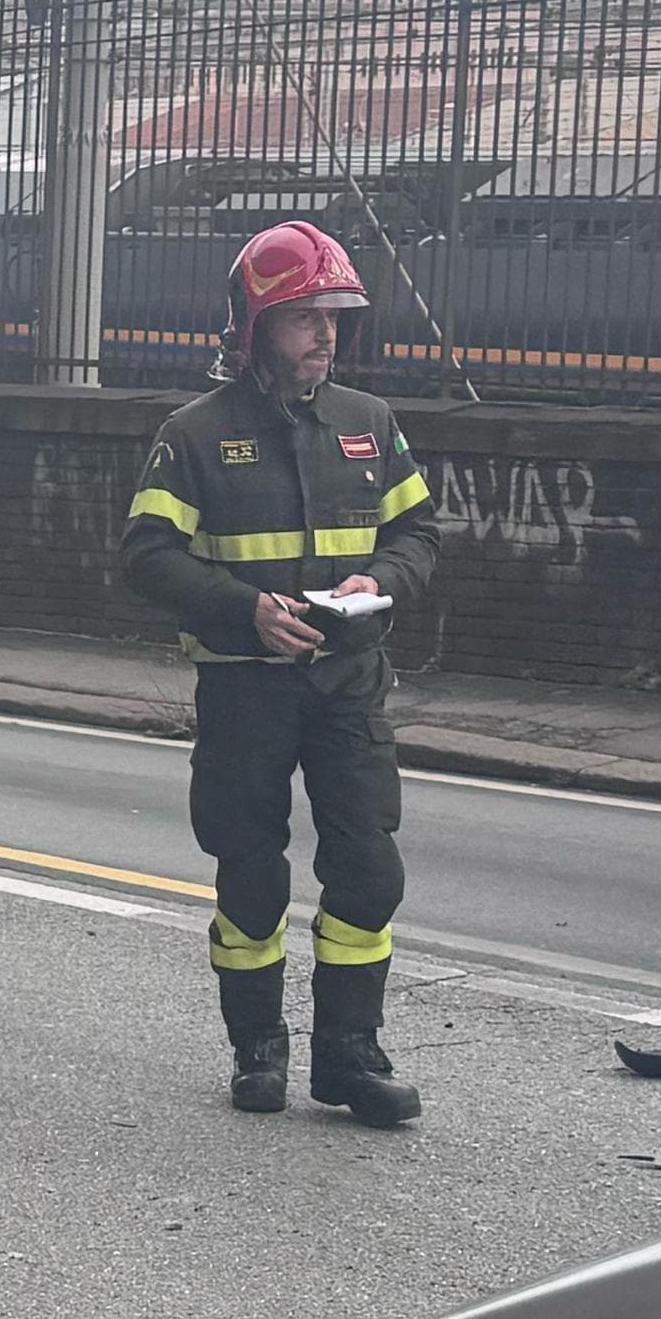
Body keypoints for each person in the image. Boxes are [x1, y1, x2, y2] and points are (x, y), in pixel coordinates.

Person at [118, 219, 441, 1126]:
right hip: (244, 687)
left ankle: (350, 1058)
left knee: (369, 871)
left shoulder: (370, 425)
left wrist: (378, 580)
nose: (326, 335)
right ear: (255, 328)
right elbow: (147, 556)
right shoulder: (192, 435)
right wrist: (245, 609)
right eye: (305, 317)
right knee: (251, 876)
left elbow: (420, 534)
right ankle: (258, 1050)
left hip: (347, 685)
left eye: (334, 317)